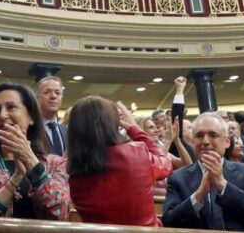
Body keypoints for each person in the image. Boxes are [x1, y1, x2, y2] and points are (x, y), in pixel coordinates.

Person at [0, 82, 70, 220]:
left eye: (11, 107)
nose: (2, 115)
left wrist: (29, 158)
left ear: (31, 117)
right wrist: (15, 179)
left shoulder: (55, 164)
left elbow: (60, 211)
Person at [67, 96, 172, 226]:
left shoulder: (73, 173)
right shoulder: (137, 154)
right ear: (112, 123)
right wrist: (134, 128)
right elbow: (166, 165)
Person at [162, 111, 244, 230]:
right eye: (199, 135)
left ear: (227, 142)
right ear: (193, 141)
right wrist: (198, 195)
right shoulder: (177, 178)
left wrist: (223, 185)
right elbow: (168, 222)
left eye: (213, 135)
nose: (205, 141)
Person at [37, 76, 67, 156]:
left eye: (58, 93)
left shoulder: (68, 133)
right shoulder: (30, 130)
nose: (53, 96)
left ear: (61, 98)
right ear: (37, 98)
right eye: (47, 92)